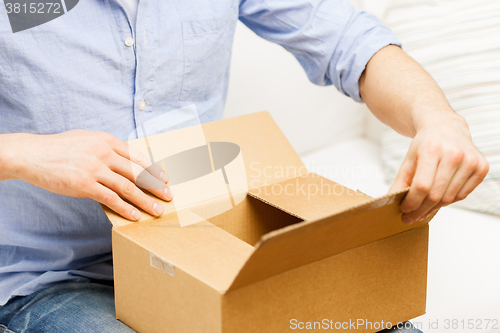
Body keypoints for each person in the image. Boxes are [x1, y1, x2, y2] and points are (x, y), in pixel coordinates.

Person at [0, 0, 488, 332]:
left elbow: (347, 41)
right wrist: (22, 153)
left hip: (206, 244)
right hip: (54, 277)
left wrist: (438, 120)